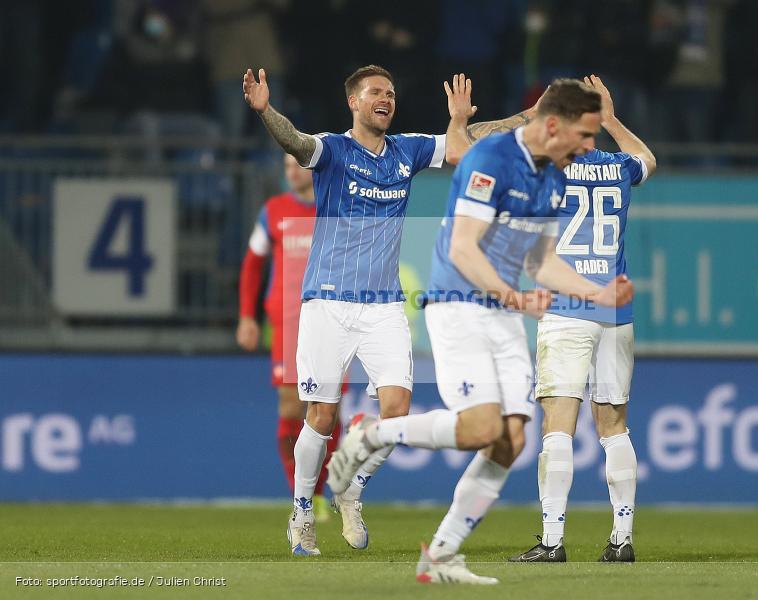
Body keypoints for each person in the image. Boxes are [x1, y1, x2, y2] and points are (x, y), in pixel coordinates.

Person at [327, 77, 634, 584]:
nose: (587, 148)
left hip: (501, 311)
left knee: (511, 440)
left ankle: (441, 554)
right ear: (552, 125)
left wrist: (595, 293)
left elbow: (540, 261)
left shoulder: (552, 179)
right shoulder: (491, 158)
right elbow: (463, 249)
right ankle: (372, 433)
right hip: (459, 304)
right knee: (481, 428)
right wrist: (516, 297)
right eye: (583, 135)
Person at [242, 64, 527, 556]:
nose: (386, 99)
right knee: (321, 416)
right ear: (353, 101)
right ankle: (303, 511)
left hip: (383, 306)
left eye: (391, 93)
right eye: (376, 92)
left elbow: (467, 141)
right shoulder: (333, 149)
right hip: (328, 300)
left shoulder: (406, 150)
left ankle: (352, 490)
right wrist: (266, 111)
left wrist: (526, 115)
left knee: (396, 413)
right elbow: (297, 143)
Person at [508, 75, 656, 563]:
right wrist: (612, 120)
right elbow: (648, 159)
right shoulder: (617, 166)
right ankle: (622, 538)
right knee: (614, 425)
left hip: (567, 305)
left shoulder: (547, 166)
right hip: (615, 310)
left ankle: (552, 541)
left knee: (558, 425)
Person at [236, 154, 342, 522]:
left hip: (331, 322)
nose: (292, 171)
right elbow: (252, 265)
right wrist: (247, 316)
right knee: (291, 410)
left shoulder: (336, 208)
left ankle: (320, 491)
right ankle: (300, 491)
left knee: (328, 411)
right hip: (288, 323)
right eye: (286, 166)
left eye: (298, 163)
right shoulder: (274, 211)